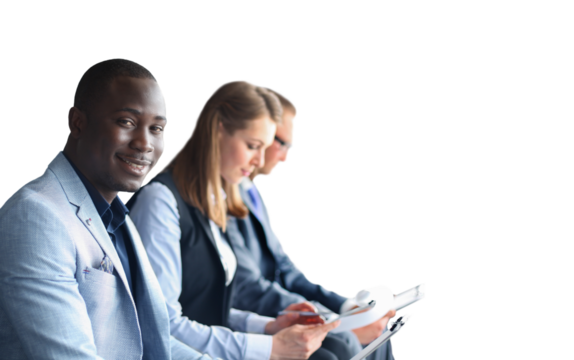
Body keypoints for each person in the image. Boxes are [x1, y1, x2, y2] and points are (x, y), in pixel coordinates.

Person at [0, 58, 210, 360]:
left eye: (157, 128)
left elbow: (149, 340)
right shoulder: (36, 214)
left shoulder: (116, 214)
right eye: (127, 122)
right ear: (77, 122)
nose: (144, 143)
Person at [126, 79, 349, 360]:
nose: (259, 160)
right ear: (218, 130)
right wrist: (267, 347)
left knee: (334, 350)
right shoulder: (160, 202)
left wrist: (269, 325)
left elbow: (206, 308)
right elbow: (164, 326)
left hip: (211, 344)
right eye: (253, 146)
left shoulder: (212, 201)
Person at [231, 88, 398, 360]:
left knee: (381, 335)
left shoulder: (253, 193)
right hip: (261, 314)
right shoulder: (219, 196)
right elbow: (245, 285)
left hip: (285, 307)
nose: (285, 157)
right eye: (280, 143)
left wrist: (344, 307)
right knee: (342, 346)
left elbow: (284, 266)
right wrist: (321, 316)